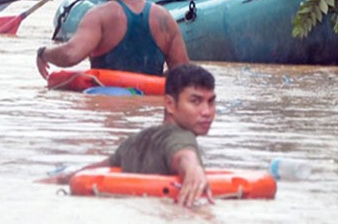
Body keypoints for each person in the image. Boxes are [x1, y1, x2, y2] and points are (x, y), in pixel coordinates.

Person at [40, 63, 217, 209]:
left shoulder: (136, 141)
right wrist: (193, 169)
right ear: (170, 104)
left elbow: (98, 167)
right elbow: (184, 153)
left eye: (211, 102)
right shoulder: (181, 138)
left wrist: (58, 179)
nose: (207, 112)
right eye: (195, 101)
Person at [36, 0, 189, 78]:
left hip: (107, 101)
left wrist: (44, 53)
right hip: (150, 108)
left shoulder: (99, 16)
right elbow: (183, 73)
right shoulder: (165, 18)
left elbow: (71, 54)